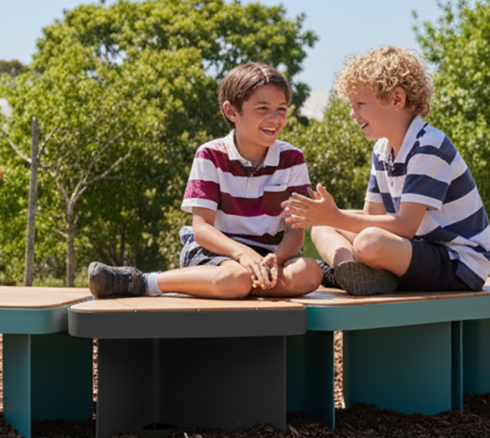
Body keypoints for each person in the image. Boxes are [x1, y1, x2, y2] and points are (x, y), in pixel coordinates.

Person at [88, 62, 323, 300]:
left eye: (281, 109)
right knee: (235, 278)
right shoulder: (210, 154)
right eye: (262, 108)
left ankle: (231, 285)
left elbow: (294, 233)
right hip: (214, 252)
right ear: (232, 112)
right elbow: (202, 230)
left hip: (266, 255)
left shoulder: (293, 159)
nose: (274, 118)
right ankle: (142, 281)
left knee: (310, 273)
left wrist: (277, 258)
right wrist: (241, 255)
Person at [283, 46, 490, 296]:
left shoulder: (428, 145)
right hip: (416, 251)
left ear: (396, 99)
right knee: (322, 228)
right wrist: (328, 217)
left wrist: (336, 215)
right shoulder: (382, 149)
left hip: (459, 263)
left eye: (360, 104)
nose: (353, 114)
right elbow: (372, 216)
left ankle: (349, 272)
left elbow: (404, 226)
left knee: (369, 241)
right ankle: (347, 272)